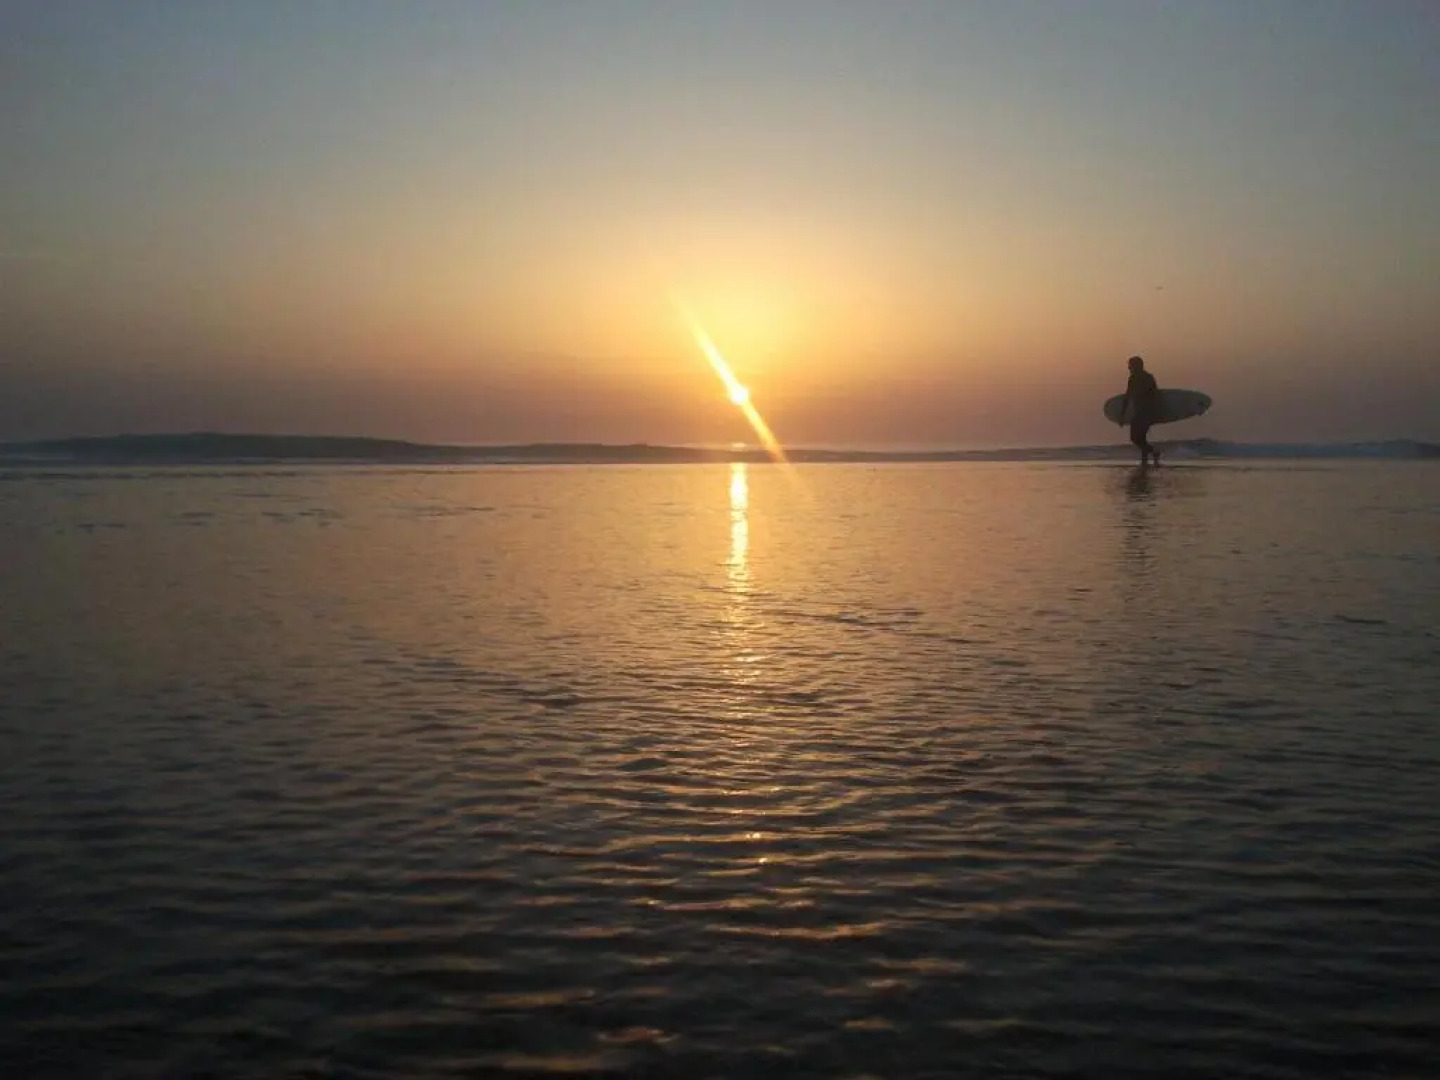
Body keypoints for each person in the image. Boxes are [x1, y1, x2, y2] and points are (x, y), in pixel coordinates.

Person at [1119, 355, 1161, 466]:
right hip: (1145, 413)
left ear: (1136, 366)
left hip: (1144, 413)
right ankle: (1146, 461)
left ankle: (1152, 453)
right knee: (1141, 438)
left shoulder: (1136, 379)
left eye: (1130, 366)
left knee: (1135, 438)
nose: (1129, 368)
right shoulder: (1146, 377)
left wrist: (1122, 415)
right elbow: (1156, 395)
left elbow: (1127, 397)